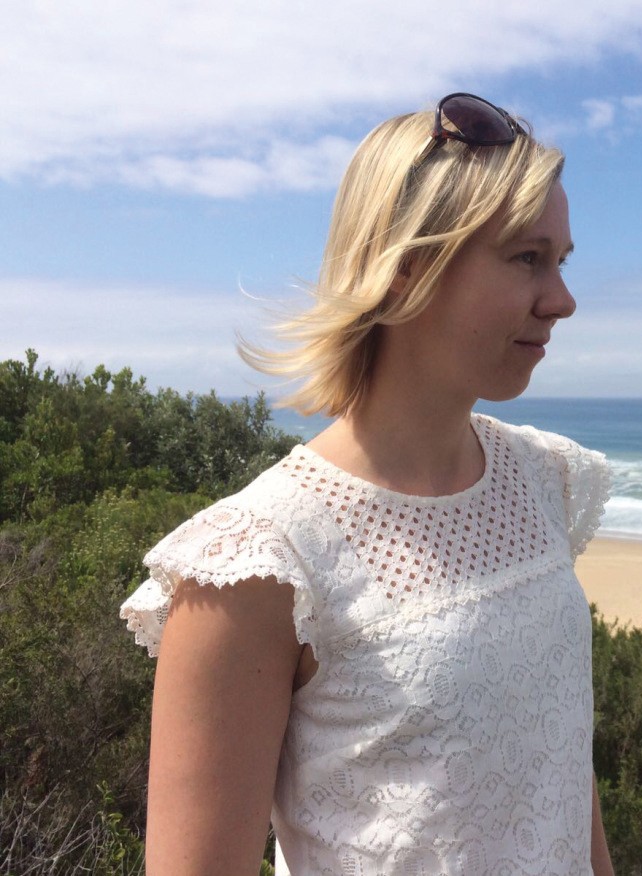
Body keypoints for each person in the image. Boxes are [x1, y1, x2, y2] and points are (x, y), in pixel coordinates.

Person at [121, 92, 615, 876]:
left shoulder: (544, 479)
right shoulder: (258, 561)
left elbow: (557, 761)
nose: (562, 300)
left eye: (561, 261)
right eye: (527, 258)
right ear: (405, 269)